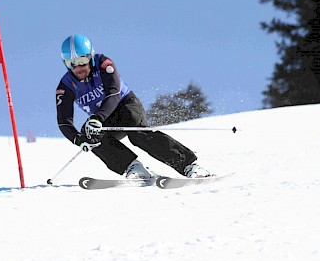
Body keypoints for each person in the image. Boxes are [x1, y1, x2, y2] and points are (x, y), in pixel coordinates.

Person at [56, 34, 212, 179]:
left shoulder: (103, 64)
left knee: (137, 133)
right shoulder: (66, 85)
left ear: (91, 56)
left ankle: (190, 166)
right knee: (90, 134)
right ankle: (134, 168)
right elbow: (64, 121)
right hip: (103, 118)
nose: (78, 68)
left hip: (125, 105)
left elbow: (113, 93)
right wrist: (78, 140)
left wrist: (97, 118)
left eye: (82, 60)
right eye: (71, 63)